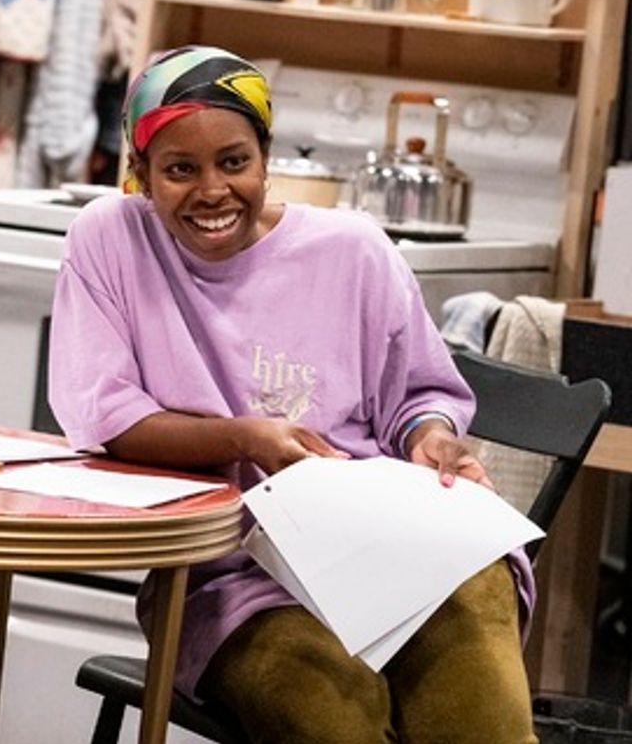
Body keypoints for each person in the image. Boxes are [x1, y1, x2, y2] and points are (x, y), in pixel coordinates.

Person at [48, 45, 536, 742]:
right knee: (329, 711)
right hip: (230, 583)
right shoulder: (110, 240)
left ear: (265, 158)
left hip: (396, 552)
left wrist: (431, 436)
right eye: (180, 169)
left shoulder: (355, 250)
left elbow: (418, 395)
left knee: (477, 654)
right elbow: (110, 416)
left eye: (234, 162)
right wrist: (245, 438)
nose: (212, 190)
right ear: (141, 175)